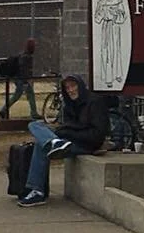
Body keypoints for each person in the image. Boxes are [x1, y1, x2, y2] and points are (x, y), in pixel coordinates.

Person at [17, 74, 109, 207]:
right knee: (34, 125)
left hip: (87, 145)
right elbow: (66, 127)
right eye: (67, 88)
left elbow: (97, 135)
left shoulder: (95, 103)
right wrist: (61, 133)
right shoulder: (69, 106)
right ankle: (55, 143)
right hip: (67, 141)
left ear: (80, 86)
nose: (71, 90)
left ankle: (37, 190)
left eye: (73, 86)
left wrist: (68, 133)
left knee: (41, 146)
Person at [0, 38, 39, 119]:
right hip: (22, 79)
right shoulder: (27, 57)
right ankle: (34, 113)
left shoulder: (23, 55)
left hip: (19, 78)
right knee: (30, 95)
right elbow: (25, 70)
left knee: (17, 95)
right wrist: (26, 80)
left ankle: (3, 110)